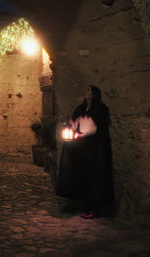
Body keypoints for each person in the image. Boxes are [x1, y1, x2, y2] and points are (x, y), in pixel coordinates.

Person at [56, 85, 114, 219]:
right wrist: (70, 122)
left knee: (94, 177)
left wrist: (86, 133)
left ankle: (94, 209)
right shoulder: (80, 108)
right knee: (83, 176)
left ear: (94, 93)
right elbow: (75, 124)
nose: (85, 91)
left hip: (94, 149)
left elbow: (100, 128)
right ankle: (85, 206)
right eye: (85, 89)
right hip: (81, 148)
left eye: (88, 89)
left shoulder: (100, 108)